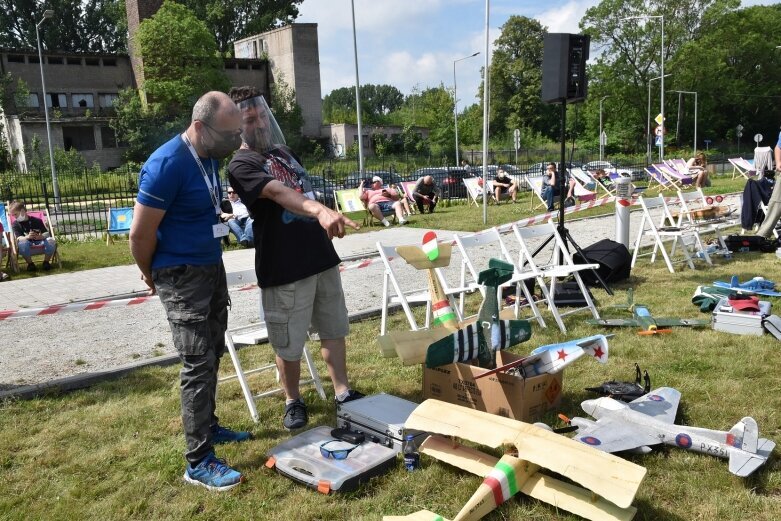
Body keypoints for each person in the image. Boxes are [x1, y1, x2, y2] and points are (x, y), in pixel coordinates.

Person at [129, 91, 249, 492]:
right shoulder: (166, 164)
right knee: (197, 363)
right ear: (200, 127)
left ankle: (209, 428)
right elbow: (140, 234)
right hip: (180, 275)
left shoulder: (208, 156)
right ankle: (198, 462)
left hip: (209, 269)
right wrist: (152, 276)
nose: (235, 141)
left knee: (212, 353)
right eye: (228, 133)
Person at [227, 86, 364, 432]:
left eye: (261, 115)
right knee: (288, 341)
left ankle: (343, 392)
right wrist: (319, 210)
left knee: (334, 328)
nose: (258, 123)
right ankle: (292, 400)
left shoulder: (284, 152)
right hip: (285, 267)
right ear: (236, 125)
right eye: (249, 118)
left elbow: (302, 188)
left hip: (320, 257)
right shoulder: (241, 163)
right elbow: (277, 192)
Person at [8, 201, 57, 272]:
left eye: (15, 214)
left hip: (40, 242)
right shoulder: (15, 224)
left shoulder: (37, 220)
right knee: (22, 242)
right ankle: (30, 264)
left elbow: (46, 233)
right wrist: (27, 237)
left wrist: (41, 236)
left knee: (50, 240)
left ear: (22, 211)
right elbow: (19, 238)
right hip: (27, 244)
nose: (14, 217)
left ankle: (46, 262)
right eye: (13, 215)